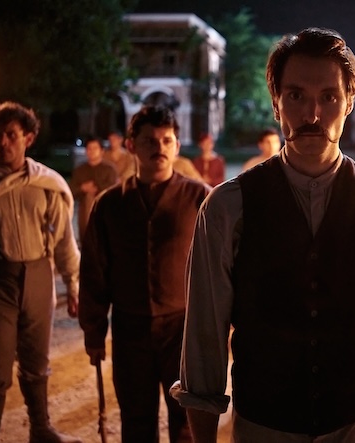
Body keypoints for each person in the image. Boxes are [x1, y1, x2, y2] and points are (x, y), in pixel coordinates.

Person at [171, 27, 355, 443]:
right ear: (276, 103)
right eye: (296, 95)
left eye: (328, 97)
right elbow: (204, 335)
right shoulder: (227, 208)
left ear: (349, 103)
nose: (312, 115)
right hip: (264, 427)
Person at [79, 106, 210, 443]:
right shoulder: (110, 204)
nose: (159, 148)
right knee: (136, 419)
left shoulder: (201, 199)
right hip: (130, 329)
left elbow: (223, 266)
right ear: (131, 145)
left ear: (177, 146)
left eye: (167, 140)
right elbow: (94, 270)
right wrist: (94, 330)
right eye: (149, 140)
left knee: (186, 421)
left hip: (183, 329)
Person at [0, 102, 81, 443]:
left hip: (39, 274)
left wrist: (73, 283)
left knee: (36, 359)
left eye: (11, 135)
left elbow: (64, 239)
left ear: (28, 138)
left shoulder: (46, 184)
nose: (2, 142)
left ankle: (41, 429)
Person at [69, 136, 118, 242]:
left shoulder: (109, 169)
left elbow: (114, 189)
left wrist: (96, 188)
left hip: (105, 209)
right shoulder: (80, 170)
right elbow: (71, 191)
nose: (92, 151)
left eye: (95, 148)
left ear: (102, 151)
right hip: (84, 211)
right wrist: (82, 188)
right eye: (89, 149)